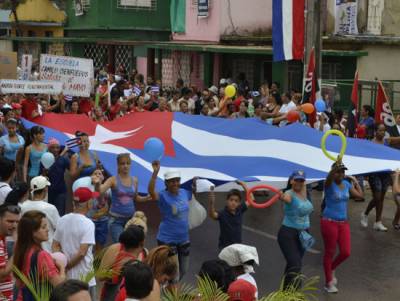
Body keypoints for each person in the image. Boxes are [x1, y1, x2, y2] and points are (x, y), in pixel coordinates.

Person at [321, 160, 363, 293]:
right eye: (338, 172)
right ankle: (328, 283)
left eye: (343, 171)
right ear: (333, 173)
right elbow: (328, 178)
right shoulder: (328, 184)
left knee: (346, 252)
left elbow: (360, 196)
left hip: (343, 223)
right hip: (329, 222)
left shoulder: (346, 184)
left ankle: (331, 268)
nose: (341, 174)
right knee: (330, 252)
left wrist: (355, 181)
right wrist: (334, 169)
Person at [148, 161, 195, 280]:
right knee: (174, 274)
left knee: (184, 270)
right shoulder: (163, 196)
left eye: (177, 180)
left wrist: (196, 182)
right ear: (166, 183)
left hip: (184, 239)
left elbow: (194, 192)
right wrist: (155, 173)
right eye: (172, 181)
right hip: (167, 240)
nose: (175, 183)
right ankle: (167, 293)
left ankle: (167, 288)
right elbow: (151, 192)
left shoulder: (185, 193)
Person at [93, 153, 152, 243]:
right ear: (118, 165)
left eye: (128, 163)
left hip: (131, 220)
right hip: (116, 221)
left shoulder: (134, 180)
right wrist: (97, 184)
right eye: (122, 163)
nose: (125, 166)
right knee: (121, 246)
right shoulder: (113, 180)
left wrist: (146, 198)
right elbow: (100, 191)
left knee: (131, 246)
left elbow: (135, 198)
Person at [52, 187, 97, 300]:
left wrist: (62, 265)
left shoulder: (62, 219)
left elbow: (55, 245)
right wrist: (67, 266)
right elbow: (82, 253)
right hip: (85, 277)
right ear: (89, 203)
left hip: (66, 278)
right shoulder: (88, 224)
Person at [13, 210, 66, 301]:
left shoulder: (21, 250)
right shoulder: (42, 255)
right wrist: (62, 268)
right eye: (43, 227)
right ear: (33, 232)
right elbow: (59, 285)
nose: (47, 229)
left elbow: (18, 282)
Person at [361, 123, 400, 231]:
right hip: (375, 174)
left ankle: (378, 222)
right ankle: (365, 213)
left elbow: (398, 139)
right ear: (375, 131)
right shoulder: (371, 144)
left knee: (381, 198)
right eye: (380, 130)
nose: (382, 132)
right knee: (377, 198)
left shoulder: (387, 141)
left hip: (386, 173)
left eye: (384, 130)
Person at [278, 171, 313, 289]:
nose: (299, 182)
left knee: (293, 266)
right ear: (291, 180)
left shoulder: (305, 194)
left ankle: (284, 293)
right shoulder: (288, 193)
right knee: (295, 265)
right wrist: (283, 197)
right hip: (288, 233)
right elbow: (286, 197)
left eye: (301, 180)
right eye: (296, 179)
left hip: (304, 234)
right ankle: (296, 294)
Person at [98, 225, 146, 301]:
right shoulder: (115, 249)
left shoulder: (145, 254)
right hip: (112, 295)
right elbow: (100, 275)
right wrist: (118, 271)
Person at [20, 176, 60, 252]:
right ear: (45, 189)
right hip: (47, 250)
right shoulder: (50, 208)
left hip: (28, 250)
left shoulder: (23, 206)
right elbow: (59, 228)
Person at [208, 181, 251, 250]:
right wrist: (211, 203)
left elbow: (251, 199)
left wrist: (244, 185)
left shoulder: (240, 209)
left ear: (239, 203)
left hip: (238, 246)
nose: (233, 203)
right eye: (231, 200)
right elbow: (212, 215)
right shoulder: (222, 213)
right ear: (227, 201)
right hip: (225, 247)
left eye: (236, 201)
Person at [0, 202, 20, 300]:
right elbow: (2, 276)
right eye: (10, 221)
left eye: (17, 222)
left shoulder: (2, 239)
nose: (14, 226)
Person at [47, 138, 70, 216]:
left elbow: (73, 170)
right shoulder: (45, 158)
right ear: (49, 148)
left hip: (61, 191)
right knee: (49, 214)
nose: (55, 149)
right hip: (48, 191)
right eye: (52, 147)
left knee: (60, 214)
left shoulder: (63, 160)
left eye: (57, 147)